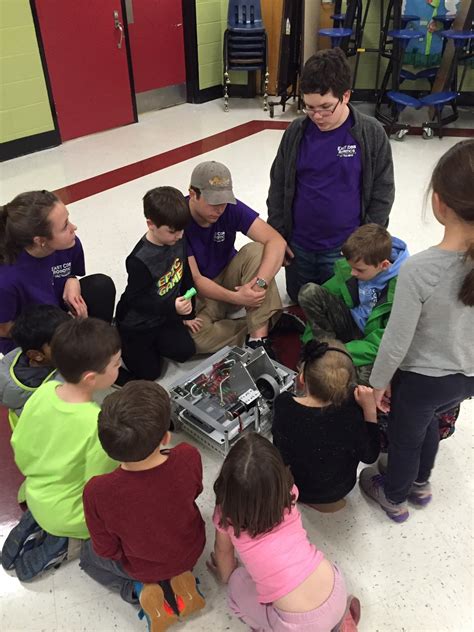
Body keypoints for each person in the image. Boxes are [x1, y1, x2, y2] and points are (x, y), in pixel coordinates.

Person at [359, 139, 474, 523]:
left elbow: (396, 341)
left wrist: (378, 384)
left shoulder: (421, 270)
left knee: (406, 440)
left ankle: (394, 496)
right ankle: (422, 484)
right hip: (465, 378)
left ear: (439, 202)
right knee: (427, 423)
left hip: (422, 378)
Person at [267, 48, 395, 303]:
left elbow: (383, 194)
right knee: (299, 301)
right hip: (299, 248)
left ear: (345, 96)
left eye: (325, 107)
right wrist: (278, 236)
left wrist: (363, 249)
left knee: (340, 307)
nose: (317, 116)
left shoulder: (370, 134)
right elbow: (278, 186)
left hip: (345, 252)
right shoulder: (296, 132)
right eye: (309, 107)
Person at [80, 380, 206, 629]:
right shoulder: (188, 455)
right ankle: (183, 581)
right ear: (166, 437)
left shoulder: (98, 491)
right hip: (191, 551)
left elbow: (106, 550)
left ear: (108, 448)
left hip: (141, 566)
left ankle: (138, 590)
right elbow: (196, 492)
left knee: (87, 556)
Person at [2, 318, 120, 580]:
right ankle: (64, 543)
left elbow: (19, 444)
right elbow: (98, 490)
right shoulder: (96, 424)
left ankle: (38, 521)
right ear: (91, 377)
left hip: (35, 491)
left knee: (50, 505)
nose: (120, 367)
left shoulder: (44, 391)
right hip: (70, 515)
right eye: (116, 363)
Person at [208, 432, 360, 631]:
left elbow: (224, 552)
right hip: (337, 590)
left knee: (237, 582)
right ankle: (338, 622)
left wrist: (226, 575)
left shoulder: (226, 517)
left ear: (227, 488)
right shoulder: (290, 494)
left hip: (297, 625)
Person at [185, 161, 287, 358]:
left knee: (258, 250)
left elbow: (276, 241)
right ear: (193, 194)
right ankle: (266, 320)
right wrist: (238, 298)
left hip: (231, 276)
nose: (220, 209)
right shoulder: (178, 218)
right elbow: (196, 280)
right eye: (213, 202)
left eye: (224, 201)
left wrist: (260, 283)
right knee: (194, 339)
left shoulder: (230, 208)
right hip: (200, 292)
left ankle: (258, 341)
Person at [0, 190, 116, 355]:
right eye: (64, 226)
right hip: (31, 335)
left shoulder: (69, 244)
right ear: (40, 241)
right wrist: (64, 328)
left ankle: (100, 352)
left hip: (58, 312)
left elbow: (67, 272)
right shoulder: (6, 279)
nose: (73, 227)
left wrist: (72, 280)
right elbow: (3, 329)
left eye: (68, 219)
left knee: (100, 286)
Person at [272, 340, 380, 513]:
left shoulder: (283, 405)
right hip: (340, 489)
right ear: (349, 386)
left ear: (301, 377)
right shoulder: (351, 413)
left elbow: (279, 450)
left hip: (298, 488)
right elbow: (370, 455)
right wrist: (370, 411)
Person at [299, 224, 409, 384]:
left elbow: (382, 344)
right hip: (348, 326)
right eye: (351, 267)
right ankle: (323, 354)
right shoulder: (357, 265)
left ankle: (327, 358)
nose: (352, 273)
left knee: (366, 378)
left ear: (384, 265)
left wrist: (337, 352)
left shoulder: (404, 288)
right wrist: (313, 345)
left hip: (371, 344)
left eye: (359, 270)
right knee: (309, 292)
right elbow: (321, 299)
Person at [115, 187, 200, 382]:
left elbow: (184, 271)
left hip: (165, 316)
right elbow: (137, 301)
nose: (179, 236)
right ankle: (119, 340)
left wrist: (188, 313)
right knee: (149, 375)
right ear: (151, 224)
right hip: (138, 324)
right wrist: (173, 307)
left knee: (186, 351)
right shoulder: (138, 260)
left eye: (181, 230)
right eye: (172, 231)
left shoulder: (177, 238)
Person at [0, 304, 69, 429]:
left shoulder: (18, 355)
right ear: (37, 355)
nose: (73, 344)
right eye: (62, 343)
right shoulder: (51, 390)